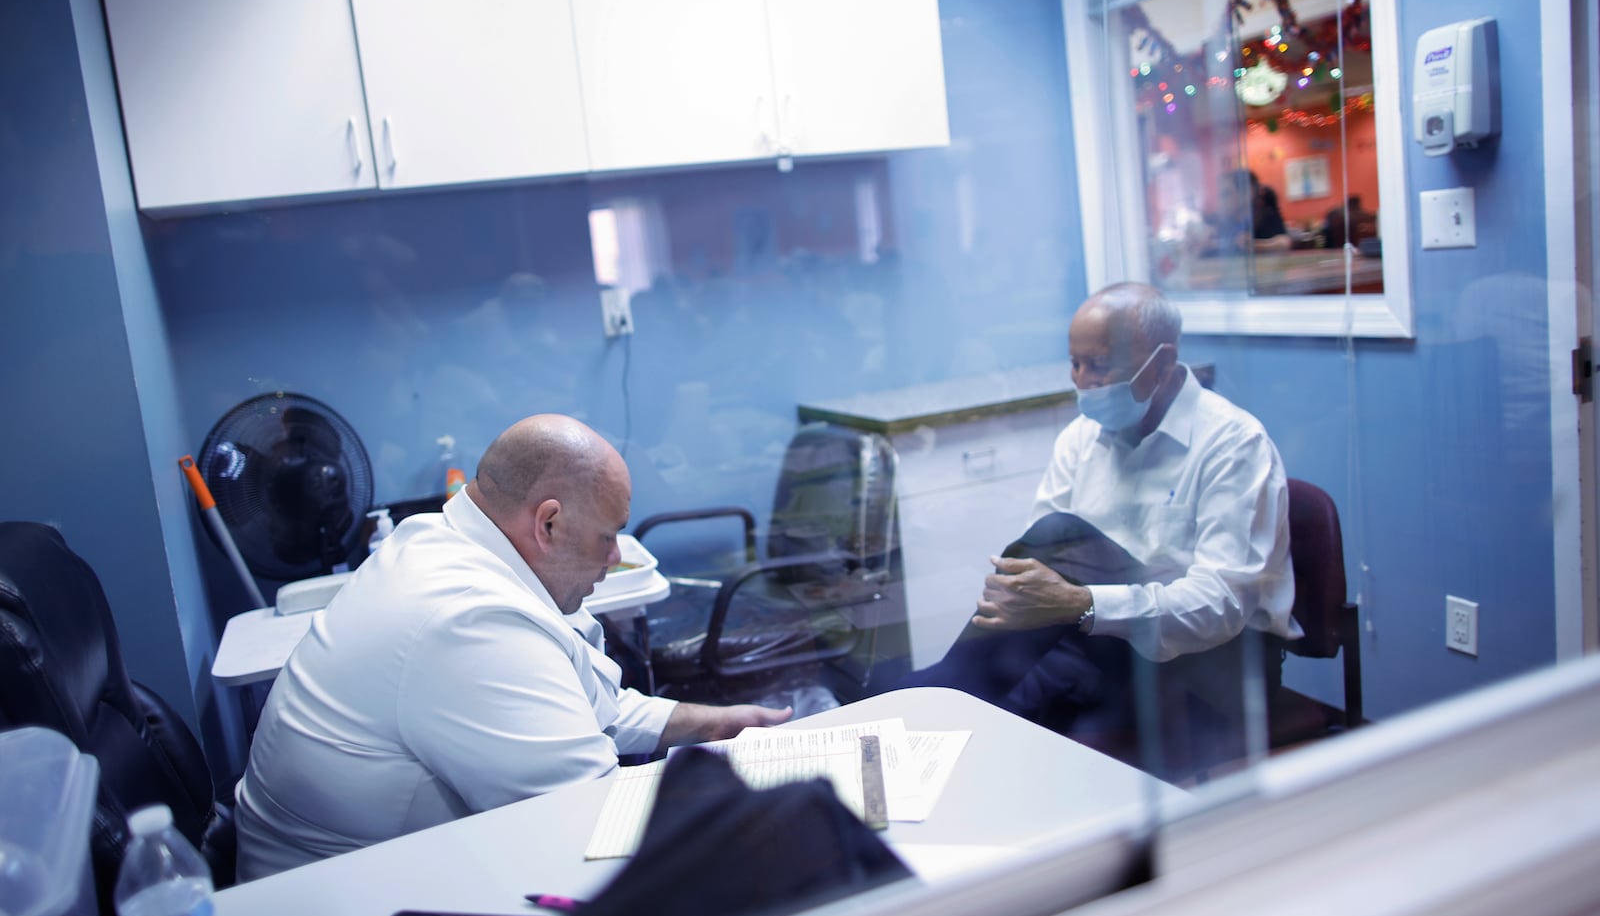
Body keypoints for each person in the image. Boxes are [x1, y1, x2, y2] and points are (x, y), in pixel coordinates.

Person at [235, 414, 792, 879]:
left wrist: (710, 724)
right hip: (345, 907)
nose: (615, 556)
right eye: (608, 535)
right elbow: (596, 821)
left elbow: (580, 704)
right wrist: (764, 811)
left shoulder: (436, 539)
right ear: (547, 523)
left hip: (381, 867)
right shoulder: (470, 622)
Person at [896, 283, 1301, 780]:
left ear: (1161, 361)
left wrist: (1081, 603)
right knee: (979, 735)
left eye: (1100, 364)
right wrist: (1062, 605)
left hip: (1215, 670)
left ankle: (940, 691)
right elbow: (1039, 583)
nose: (1083, 381)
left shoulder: (1233, 445)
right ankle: (919, 723)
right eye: (1075, 363)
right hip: (1103, 648)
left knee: (1058, 535)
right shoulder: (1081, 438)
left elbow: (1221, 607)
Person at [1199, 169, 1291, 255]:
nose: (1220, 200)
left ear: (1247, 194)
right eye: (1220, 195)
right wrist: (1204, 246)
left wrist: (1256, 245)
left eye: (1226, 194)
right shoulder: (1223, 223)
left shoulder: (1265, 216)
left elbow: (1284, 242)